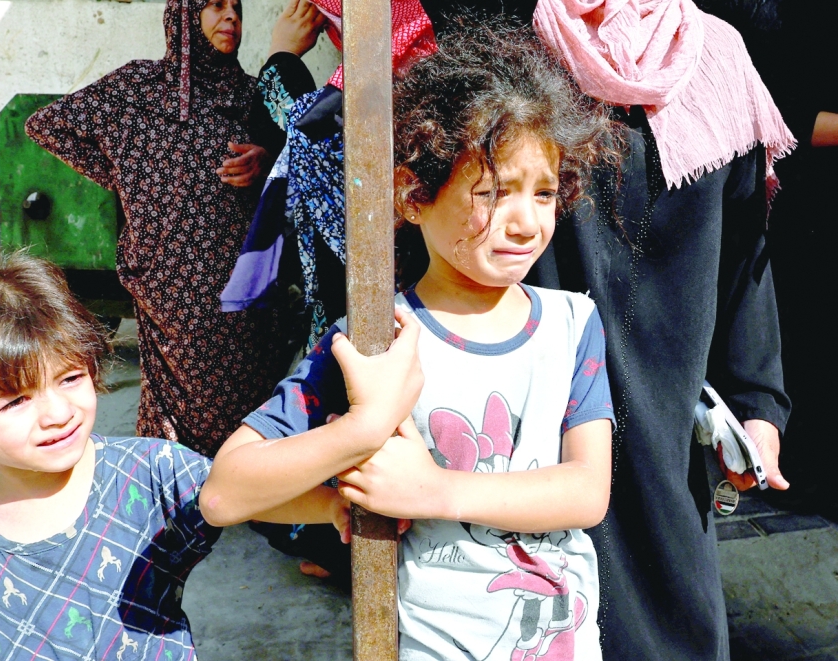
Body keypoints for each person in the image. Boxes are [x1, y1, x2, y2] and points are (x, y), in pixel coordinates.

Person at [201, 24, 620, 659]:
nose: (527, 221)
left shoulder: (570, 325)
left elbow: (587, 492)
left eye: (544, 192)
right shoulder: (376, 341)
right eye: (491, 193)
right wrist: (359, 442)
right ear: (412, 195)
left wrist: (432, 492)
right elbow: (225, 492)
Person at [521, 1, 796, 659]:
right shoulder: (529, 50)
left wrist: (760, 405)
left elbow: (744, 253)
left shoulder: (718, 55)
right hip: (550, 408)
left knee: (682, 620)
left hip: (670, 410)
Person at [0, 253, 219, 660]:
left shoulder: (152, 471)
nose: (59, 414)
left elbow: (255, 493)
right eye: (16, 401)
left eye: (71, 377)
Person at [25, 0, 323, 457]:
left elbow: (297, 163)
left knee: (249, 376)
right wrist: (128, 176)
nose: (231, 19)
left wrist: (264, 161)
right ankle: (177, 475)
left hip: (241, 272)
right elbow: (47, 125)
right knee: (186, 383)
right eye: (216, 7)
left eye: (237, 9)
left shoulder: (254, 94)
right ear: (184, 16)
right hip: (169, 274)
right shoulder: (138, 87)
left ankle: (245, 472)